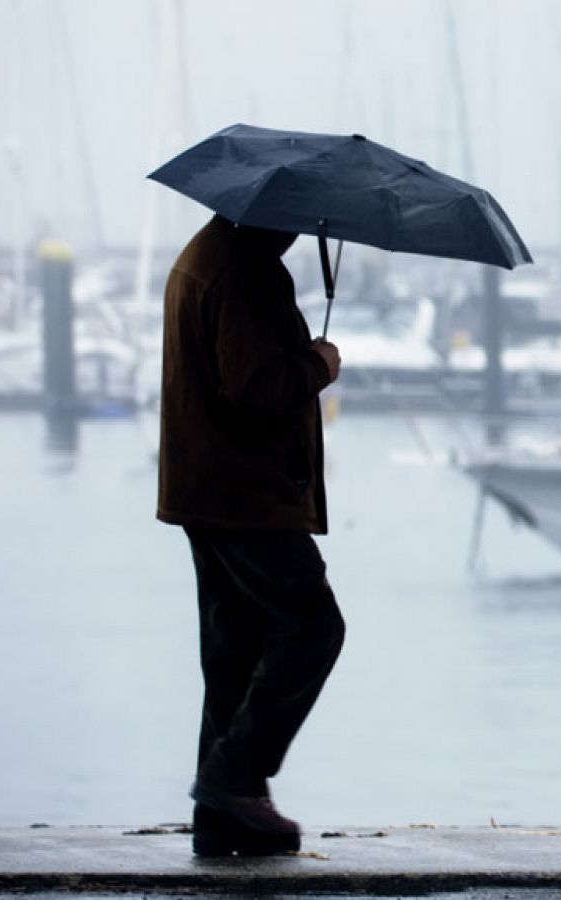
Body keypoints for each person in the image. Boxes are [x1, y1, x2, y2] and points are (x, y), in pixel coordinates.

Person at [156, 214, 345, 857]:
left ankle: (224, 818)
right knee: (312, 626)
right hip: (245, 494)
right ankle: (232, 780)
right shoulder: (245, 272)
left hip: (205, 487)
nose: (300, 228)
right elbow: (255, 387)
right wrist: (317, 364)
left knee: (232, 649)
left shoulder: (208, 254)